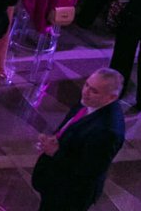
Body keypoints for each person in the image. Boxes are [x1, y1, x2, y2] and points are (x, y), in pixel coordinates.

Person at [31, 68, 126, 211]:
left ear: (111, 97)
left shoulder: (108, 132)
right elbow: (71, 125)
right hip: (56, 182)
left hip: (70, 194)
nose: (85, 92)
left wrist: (55, 152)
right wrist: (54, 138)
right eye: (86, 85)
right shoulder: (91, 102)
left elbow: (88, 170)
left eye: (94, 90)